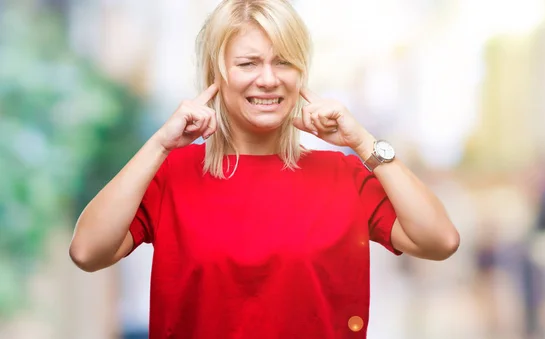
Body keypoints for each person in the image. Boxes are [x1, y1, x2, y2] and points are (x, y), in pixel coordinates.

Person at [69, 0, 460, 338]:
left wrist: (364, 142)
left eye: (283, 62)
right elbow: (87, 251)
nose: (269, 79)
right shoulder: (172, 173)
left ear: (300, 74)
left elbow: (439, 241)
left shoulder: (343, 175)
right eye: (248, 63)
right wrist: (159, 144)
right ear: (216, 76)